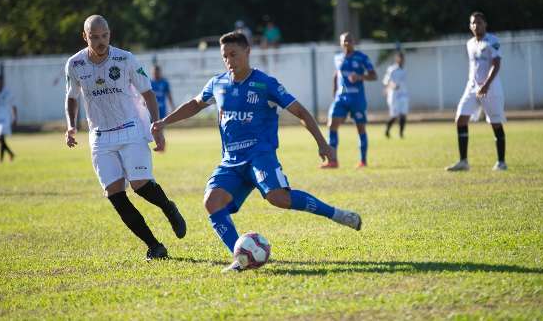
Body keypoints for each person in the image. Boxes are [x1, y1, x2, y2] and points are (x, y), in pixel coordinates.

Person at [152, 31, 362, 272]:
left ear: (247, 52)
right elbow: (194, 105)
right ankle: (241, 258)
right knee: (212, 201)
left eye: (234, 54)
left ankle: (336, 214)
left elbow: (301, 112)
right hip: (231, 161)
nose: (229, 61)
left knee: (278, 198)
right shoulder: (217, 83)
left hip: (260, 156)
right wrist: (164, 121)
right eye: (225, 56)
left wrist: (322, 144)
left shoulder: (265, 84)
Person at [64, 15, 186, 261]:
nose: (101, 42)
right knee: (115, 195)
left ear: (110, 33)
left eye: (105, 35)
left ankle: (167, 207)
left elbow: (148, 94)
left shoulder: (126, 59)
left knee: (140, 185)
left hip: (130, 129)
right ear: (84, 36)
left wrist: (156, 126)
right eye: (95, 37)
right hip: (99, 137)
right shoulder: (75, 64)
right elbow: (72, 97)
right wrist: (70, 126)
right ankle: (154, 246)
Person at [446, 12, 507, 172]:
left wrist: (486, 85)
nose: (476, 26)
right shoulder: (470, 43)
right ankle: (463, 161)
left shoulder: (493, 41)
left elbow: (496, 64)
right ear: (470, 26)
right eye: (473, 23)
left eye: (479, 23)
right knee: (460, 119)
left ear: (485, 24)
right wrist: (475, 85)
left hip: (490, 88)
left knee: (495, 123)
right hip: (472, 87)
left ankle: (501, 162)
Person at [323, 32, 377, 168]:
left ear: (354, 42)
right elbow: (336, 74)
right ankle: (333, 160)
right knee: (331, 125)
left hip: (357, 98)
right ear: (341, 43)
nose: (347, 43)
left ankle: (363, 161)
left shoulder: (362, 58)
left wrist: (360, 77)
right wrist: (334, 92)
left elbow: (374, 75)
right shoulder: (338, 58)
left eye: (349, 41)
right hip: (341, 98)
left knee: (360, 129)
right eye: (344, 41)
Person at [382, 52, 409, 138]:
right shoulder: (392, 69)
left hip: (403, 95)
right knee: (394, 116)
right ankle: (387, 130)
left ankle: (401, 134)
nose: (402, 60)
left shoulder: (404, 70)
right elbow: (386, 81)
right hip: (394, 95)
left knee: (403, 115)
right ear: (397, 59)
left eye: (403, 58)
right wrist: (392, 85)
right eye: (400, 58)